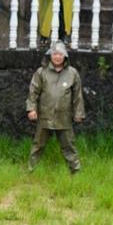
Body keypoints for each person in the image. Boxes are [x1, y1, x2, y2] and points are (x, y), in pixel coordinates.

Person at [26, 40, 85, 174]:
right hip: (45, 116)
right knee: (38, 145)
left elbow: (78, 96)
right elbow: (33, 91)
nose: (57, 57)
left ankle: (75, 171)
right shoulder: (42, 72)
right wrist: (31, 109)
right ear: (50, 55)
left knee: (69, 145)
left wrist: (79, 114)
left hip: (64, 118)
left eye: (60, 54)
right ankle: (31, 169)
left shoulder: (72, 73)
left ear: (65, 56)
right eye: (55, 54)